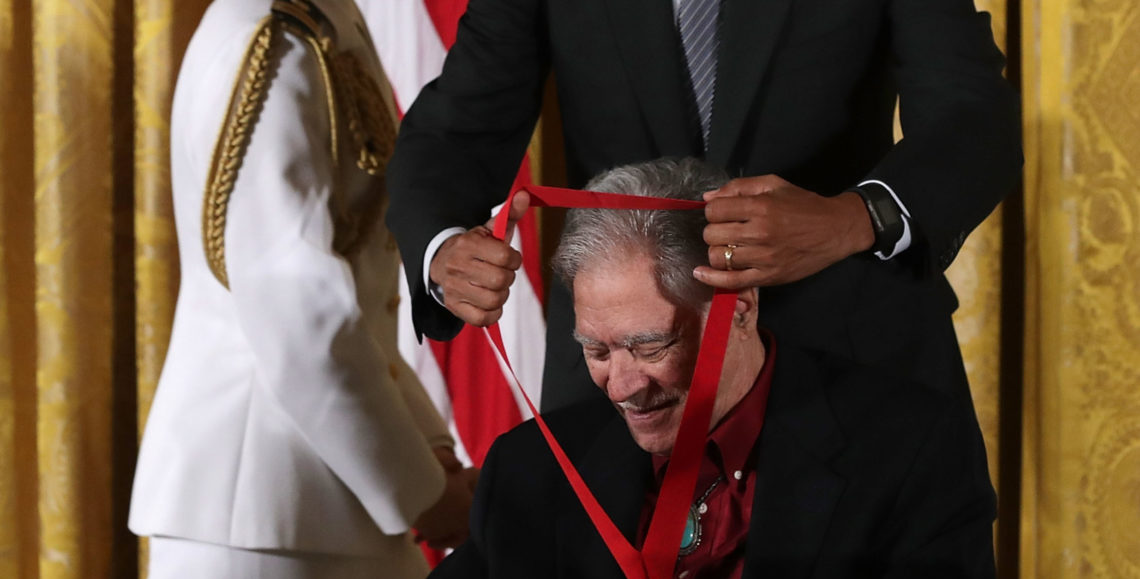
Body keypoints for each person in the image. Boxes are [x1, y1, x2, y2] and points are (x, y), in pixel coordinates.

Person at [395, 158, 1000, 579]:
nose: (625, 385)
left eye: (652, 345)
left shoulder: (911, 454)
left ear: (740, 307)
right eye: (597, 351)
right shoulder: (532, 471)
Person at [385, 0, 1022, 415]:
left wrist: (852, 220)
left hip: (853, 372)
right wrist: (442, 248)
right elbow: (456, 129)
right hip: (619, 387)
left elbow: (977, 119)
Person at [129, 0, 475, 579]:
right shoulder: (271, 43)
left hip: (319, 505)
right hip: (266, 517)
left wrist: (430, 452)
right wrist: (425, 493)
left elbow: (357, 303)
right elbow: (299, 317)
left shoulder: (322, 21)